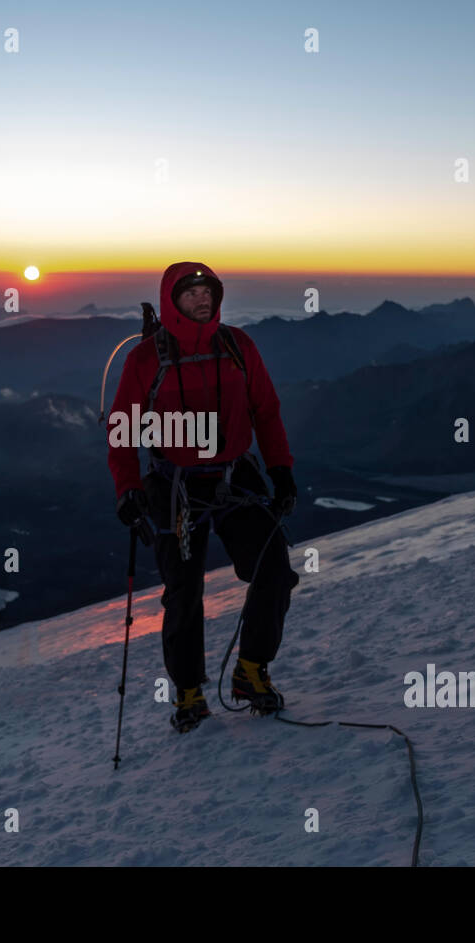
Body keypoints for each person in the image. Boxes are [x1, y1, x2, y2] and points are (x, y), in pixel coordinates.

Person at [107, 261, 300, 733]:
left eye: (208, 291)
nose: (202, 299)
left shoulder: (237, 346)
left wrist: (281, 470)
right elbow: (121, 433)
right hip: (175, 487)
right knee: (184, 593)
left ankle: (251, 671)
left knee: (273, 569)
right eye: (190, 293)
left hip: (235, 477)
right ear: (171, 301)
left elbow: (266, 411)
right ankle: (190, 693)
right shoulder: (145, 359)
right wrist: (127, 490)